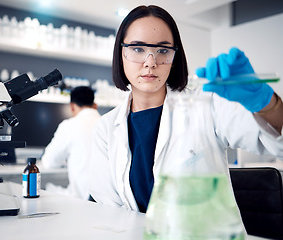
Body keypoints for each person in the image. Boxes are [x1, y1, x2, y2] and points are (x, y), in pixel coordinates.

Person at [88, 5, 283, 213]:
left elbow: (275, 145)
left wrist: (265, 102)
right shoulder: (106, 128)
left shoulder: (206, 104)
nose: (151, 62)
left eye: (162, 50)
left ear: (174, 58)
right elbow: (108, 209)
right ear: (121, 54)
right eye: (138, 49)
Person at [41, 86, 101, 199]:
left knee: (46, 189)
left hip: (83, 200)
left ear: (72, 107)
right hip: (107, 201)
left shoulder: (69, 125)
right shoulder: (107, 124)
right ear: (95, 105)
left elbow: (49, 162)